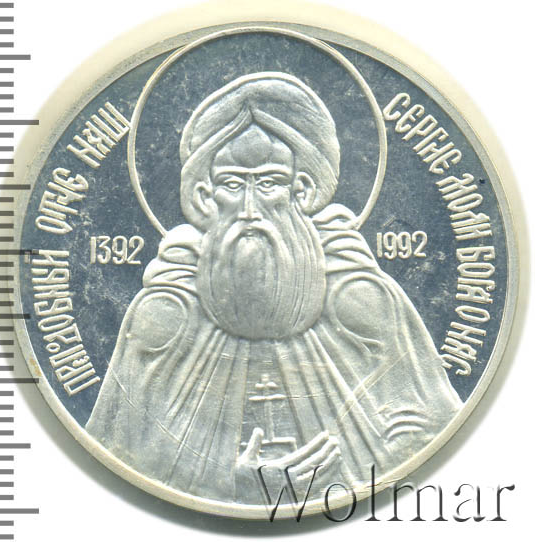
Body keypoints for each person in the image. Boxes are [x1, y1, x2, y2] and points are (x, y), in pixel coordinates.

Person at [86, 72, 462, 504]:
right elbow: (121, 457)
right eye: (233, 184)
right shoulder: (167, 313)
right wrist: (234, 483)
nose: (250, 209)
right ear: (206, 196)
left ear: (301, 190)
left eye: (268, 183)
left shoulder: (363, 302)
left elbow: (426, 438)